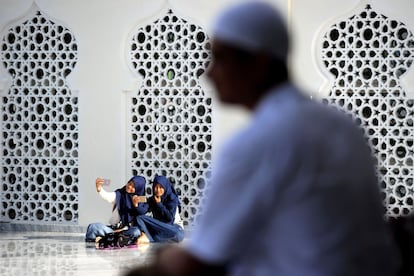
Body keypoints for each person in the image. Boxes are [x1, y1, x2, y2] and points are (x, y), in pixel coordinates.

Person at [124, 1, 400, 275]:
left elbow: (198, 264)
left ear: (259, 61)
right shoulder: (341, 127)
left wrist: (164, 260)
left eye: (221, 58)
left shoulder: (258, 141)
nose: (209, 73)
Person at [85, 175, 148, 246]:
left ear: (138, 189)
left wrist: (136, 205)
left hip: (127, 231)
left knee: (136, 232)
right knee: (93, 227)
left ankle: (111, 239)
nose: (130, 187)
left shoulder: (142, 200)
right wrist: (100, 189)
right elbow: (109, 196)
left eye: (133, 187)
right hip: (113, 230)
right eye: (129, 183)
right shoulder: (120, 194)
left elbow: (143, 212)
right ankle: (112, 239)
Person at [134, 175, 184, 245]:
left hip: (174, 229)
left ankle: (150, 238)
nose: (158, 190)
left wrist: (159, 204)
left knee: (177, 234)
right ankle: (148, 237)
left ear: (165, 187)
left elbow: (169, 218)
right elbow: (143, 211)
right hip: (161, 232)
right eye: (156, 187)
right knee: (139, 218)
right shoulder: (153, 199)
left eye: (161, 187)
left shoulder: (172, 199)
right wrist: (136, 204)